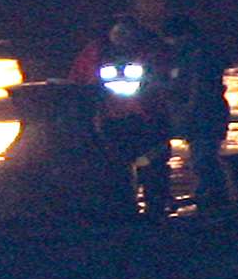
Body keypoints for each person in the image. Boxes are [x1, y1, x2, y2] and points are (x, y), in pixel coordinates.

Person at [70, 15, 175, 215]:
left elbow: (169, 83)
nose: (122, 38)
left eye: (127, 34)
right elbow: (78, 82)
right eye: (119, 33)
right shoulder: (95, 53)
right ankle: (123, 208)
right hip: (111, 120)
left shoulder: (154, 52)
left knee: (153, 165)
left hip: (148, 119)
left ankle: (157, 209)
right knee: (116, 167)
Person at [163, 15, 231, 208]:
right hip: (209, 112)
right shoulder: (201, 51)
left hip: (203, 113)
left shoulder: (193, 54)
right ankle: (212, 196)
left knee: (203, 158)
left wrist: (185, 109)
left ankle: (212, 198)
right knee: (204, 157)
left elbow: (197, 86)